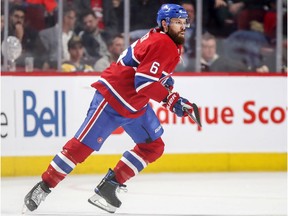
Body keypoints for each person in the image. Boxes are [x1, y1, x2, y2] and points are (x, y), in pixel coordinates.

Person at [23, 4, 199, 214]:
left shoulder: (167, 41)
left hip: (135, 105)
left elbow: (149, 73)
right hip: (113, 99)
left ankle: (109, 187)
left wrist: (166, 86)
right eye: (177, 22)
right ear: (164, 23)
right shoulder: (164, 42)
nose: (182, 27)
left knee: (153, 146)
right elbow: (143, 82)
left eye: (184, 22)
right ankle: (44, 186)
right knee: (81, 147)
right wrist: (171, 100)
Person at [39, 4, 77, 69]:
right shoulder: (46, 34)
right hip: (55, 71)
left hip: (75, 69)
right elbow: (42, 58)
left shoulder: (75, 35)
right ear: (65, 18)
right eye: (72, 18)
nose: (74, 21)